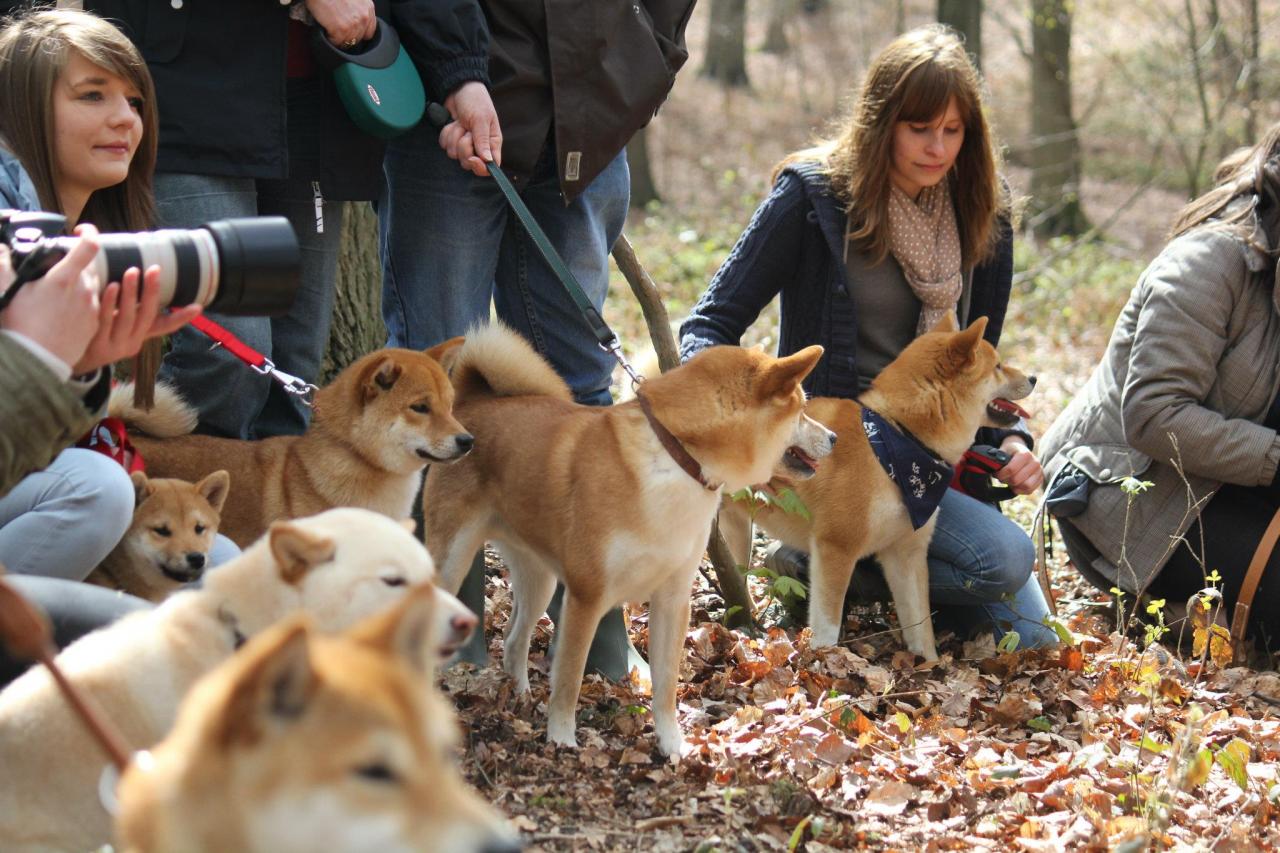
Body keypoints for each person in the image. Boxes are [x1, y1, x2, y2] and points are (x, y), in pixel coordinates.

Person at [678, 25, 1057, 649]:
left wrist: (1012, 434)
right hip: (839, 454)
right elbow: (710, 323)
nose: (937, 147)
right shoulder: (814, 197)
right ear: (883, 121)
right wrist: (749, 425)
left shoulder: (983, 208)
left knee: (1028, 628)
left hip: (935, 458)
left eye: (953, 130)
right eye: (919, 127)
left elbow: (978, 362)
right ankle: (826, 544)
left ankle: (824, 560)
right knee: (998, 564)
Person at [380, 0, 697, 676]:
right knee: (436, 380)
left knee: (579, 378)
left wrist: (642, 68)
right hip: (450, 120)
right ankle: (447, 618)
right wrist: (452, 79)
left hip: (590, 126)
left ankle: (596, 614)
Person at [63, 0, 489, 441]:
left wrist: (461, 72)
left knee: (295, 361)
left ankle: (262, 507)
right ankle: (170, 492)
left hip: (317, 99)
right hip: (184, 94)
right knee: (233, 350)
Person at [0, 9, 206, 683]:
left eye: (134, 100)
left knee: (221, 560)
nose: (126, 119)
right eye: (93, 95)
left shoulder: (102, 234)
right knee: (98, 490)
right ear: (20, 106)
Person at [1041, 123, 1280, 650]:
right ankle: (1161, 613)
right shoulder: (1211, 262)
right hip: (1130, 495)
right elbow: (1154, 415)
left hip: (1229, 483)